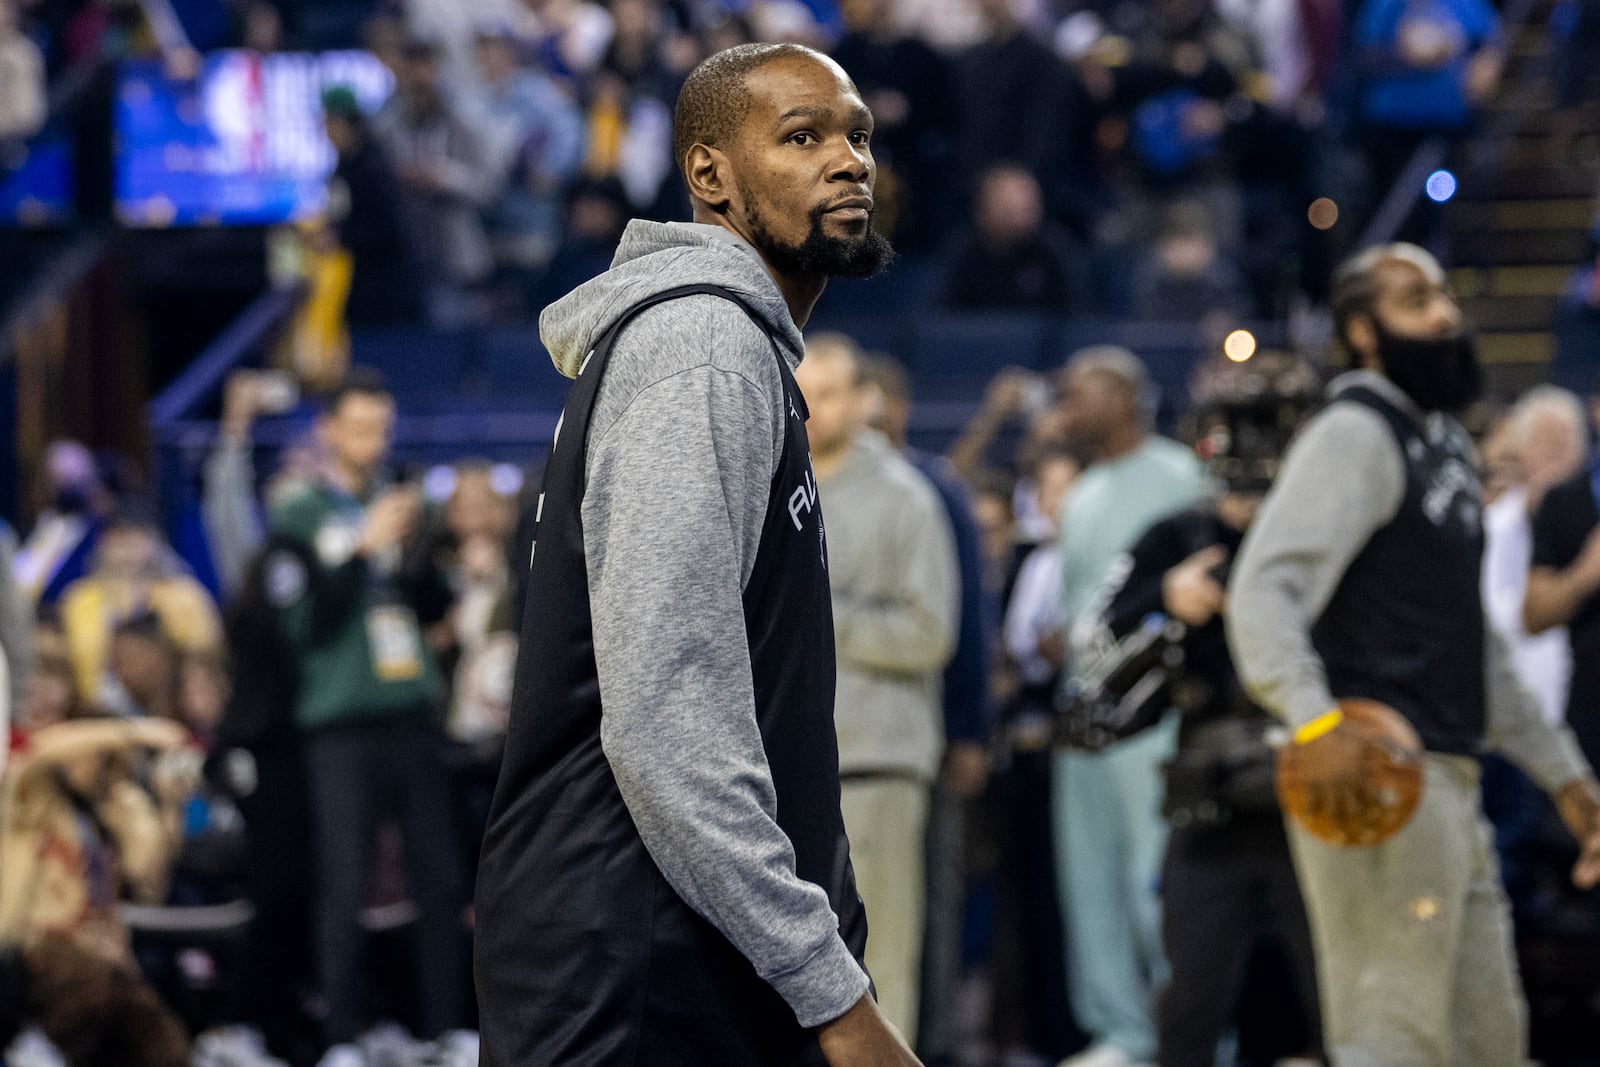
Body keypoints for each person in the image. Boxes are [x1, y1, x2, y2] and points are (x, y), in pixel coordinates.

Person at [474, 42, 917, 1067]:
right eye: (802, 137)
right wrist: (835, 997)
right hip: (638, 959)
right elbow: (669, 720)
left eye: (856, 136)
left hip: (667, 945)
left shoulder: (726, 348)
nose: (847, 161)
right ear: (708, 174)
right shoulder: (701, 345)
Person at [1227, 242, 1600, 1067]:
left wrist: (1566, 775)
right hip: (1376, 769)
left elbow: (1478, 651)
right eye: (1415, 299)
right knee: (1391, 1037)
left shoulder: (1444, 446)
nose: (1445, 314)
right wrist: (1317, 723)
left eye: (1443, 295)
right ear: (1364, 332)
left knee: (1487, 1041)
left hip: (1448, 776)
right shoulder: (1354, 431)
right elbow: (1261, 591)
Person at [1077, 354, 1323, 1067]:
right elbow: (1097, 640)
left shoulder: (1329, 537)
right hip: (1209, 794)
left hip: (1314, 784)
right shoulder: (1180, 535)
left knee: (1338, 993)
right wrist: (1167, 598)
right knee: (1189, 1003)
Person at [263, 369, 470, 1067]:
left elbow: (433, 608)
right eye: (358, 428)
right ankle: (342, 1037)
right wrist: (359, 546)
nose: (372, 441)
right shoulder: (301, 512)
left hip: (410, 709)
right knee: (343, 880)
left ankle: (446, 1026)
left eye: (381, 428)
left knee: (439, 877)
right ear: (328, 430)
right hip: (338, 723)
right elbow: (305, 625)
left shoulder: (397, 499)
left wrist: (415, 557)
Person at [795, 335, 959, 1047]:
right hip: (791, 773)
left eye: (828, 392)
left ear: (865, 401)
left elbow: (931, 631)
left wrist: (824, 610)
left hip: (877, 762)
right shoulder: (779, 484)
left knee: (881, 966)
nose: (810, 406)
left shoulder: (904, 494)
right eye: (802, 388)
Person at [1052, 346, 1205, 1067]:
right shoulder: (1082, 491)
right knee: (1093, 877)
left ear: (1124, 395)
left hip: (1155, 710)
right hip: (1083, 710)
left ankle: (1193, 1030)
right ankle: (1120, 1030)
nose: (1068, 407)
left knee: (1161, 881)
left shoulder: (1182, 476)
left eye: (1080, 393)